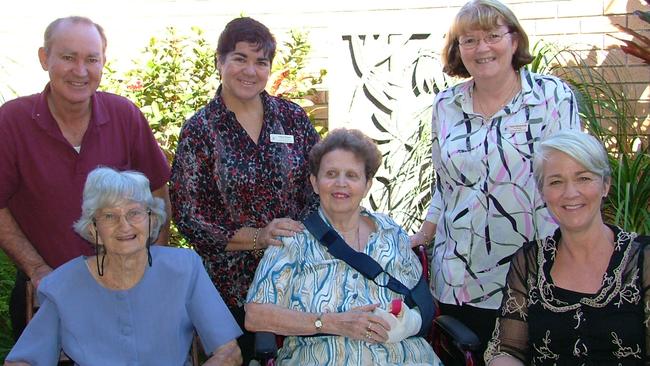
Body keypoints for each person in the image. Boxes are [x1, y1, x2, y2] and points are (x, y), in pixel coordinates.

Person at [409, 0, 582, 358]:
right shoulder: (446, 105)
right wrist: (424, 234)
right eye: (468, 40)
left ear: (515, 40)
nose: (481, 48)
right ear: (458, 50)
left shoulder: (551, 97)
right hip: (460, 276)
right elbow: (444, 186)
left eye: (492, 36)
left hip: (535, 271)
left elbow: (572, 180)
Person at [0, 16, 171, 340]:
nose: (80, 71)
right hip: (47, 297)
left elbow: (158, 193)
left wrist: (152, 265)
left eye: (91, 59)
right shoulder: (12, 121)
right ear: (44, 58)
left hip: (125, 294)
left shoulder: (125, 115)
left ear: (103, 63)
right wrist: (37, 270)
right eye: (68, 57)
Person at [169, 16, 320, 362]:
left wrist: (296, 235)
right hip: (230, 289)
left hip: (298, 278)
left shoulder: (292, 118)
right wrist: (257, 237)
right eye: (240, 58)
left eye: (261, 62)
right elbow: (189, 215)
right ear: (220, 62)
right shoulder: (200, 130)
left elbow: (318, 186)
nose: (250, 71)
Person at [4, 167, 242, 366]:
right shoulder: (64, 286)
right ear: (93, 229)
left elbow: (229, 352)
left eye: (134, 213)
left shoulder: (184, 269)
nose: (124, 225)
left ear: (151, 221)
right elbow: (22, 361)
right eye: (109, 216)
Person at [245, 128, 441, 365]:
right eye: (331, 173)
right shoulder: (292, 239)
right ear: (315, 183)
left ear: (367, 185)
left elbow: (423, 302)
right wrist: (328, 323)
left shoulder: (391, 232)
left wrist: (408, 323)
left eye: (352, 175)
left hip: (407, 357)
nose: (341, 183)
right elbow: (255, 315)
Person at [484, 130, 649, 365]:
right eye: (556, 182)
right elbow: (507, 349)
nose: (570, 193)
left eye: (583, 178)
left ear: (605, 185)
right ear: (542, 193)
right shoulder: (529, 262)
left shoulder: (642, 260)